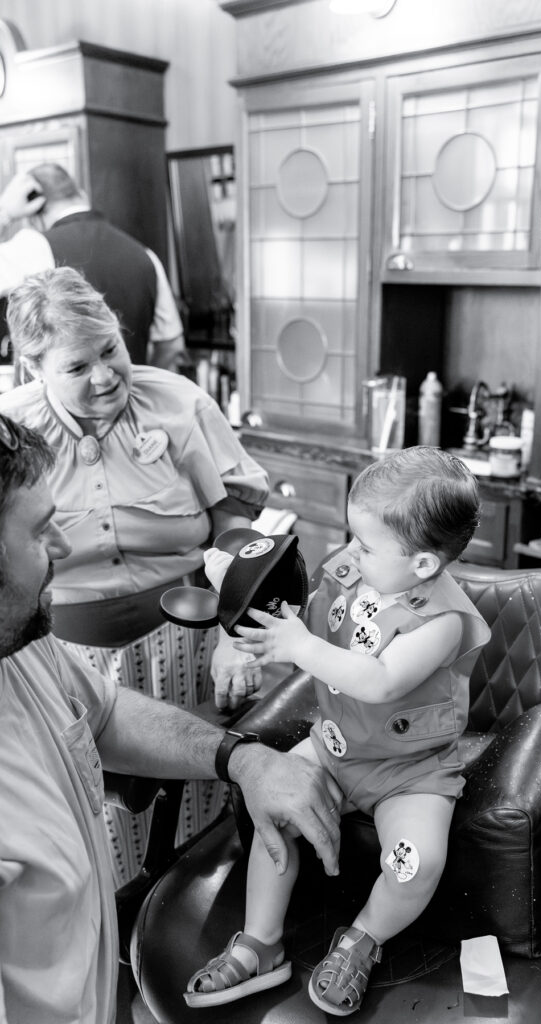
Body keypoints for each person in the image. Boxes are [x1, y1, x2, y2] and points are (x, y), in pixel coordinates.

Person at [0, 410, 342, 1024]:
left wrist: (241, 757)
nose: (63, 548)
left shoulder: (20, 648)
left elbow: (101, 717)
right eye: (39, 532)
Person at [184, 446, 491, 1015]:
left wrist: (300, 646)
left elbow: (378, 680)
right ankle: (262, 940)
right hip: (332, 746)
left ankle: (362, 938)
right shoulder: (354, 569)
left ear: (422, 564)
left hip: (411, 771)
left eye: (367, 544)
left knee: (414, 861)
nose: (351, 550)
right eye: (353, 536)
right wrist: (243, 591)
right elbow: (304, 609)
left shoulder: (442, 620)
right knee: (270, 809)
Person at [0, 266, 269, 885]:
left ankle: (192, 913)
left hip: (187, 641)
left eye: (111, 350)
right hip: (60, 653)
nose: (104, 376)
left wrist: (235, 630)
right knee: (92, 814)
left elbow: (236, 531)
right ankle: (118, 934)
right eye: (76, 367)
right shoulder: (13, 439)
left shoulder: (178, 403)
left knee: (197, 797)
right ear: (33, 369)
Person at [0, 163, 186, 368]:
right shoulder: (145, 254)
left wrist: (5, 211)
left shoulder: (32, 245)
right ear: (82, 195)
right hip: (130, 395)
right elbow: (172, 345)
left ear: (34, 214)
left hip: (61, 399)